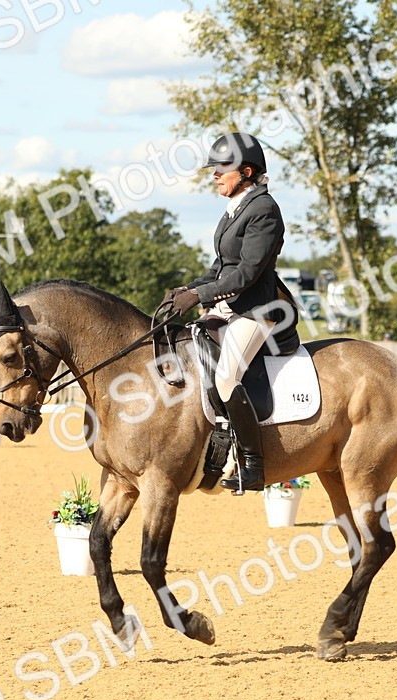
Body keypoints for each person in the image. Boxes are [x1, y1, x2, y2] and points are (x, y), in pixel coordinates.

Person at [163, 132, 298, 492]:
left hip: (256, 311)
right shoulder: (236, 209)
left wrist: (200, 295)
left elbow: (247, 273)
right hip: (229, 308)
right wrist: (187, 290)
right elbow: (221, 268)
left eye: (222, 168)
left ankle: (253, 465)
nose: (215, 174)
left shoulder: (264, 210)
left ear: (247, 171)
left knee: (226, 377)